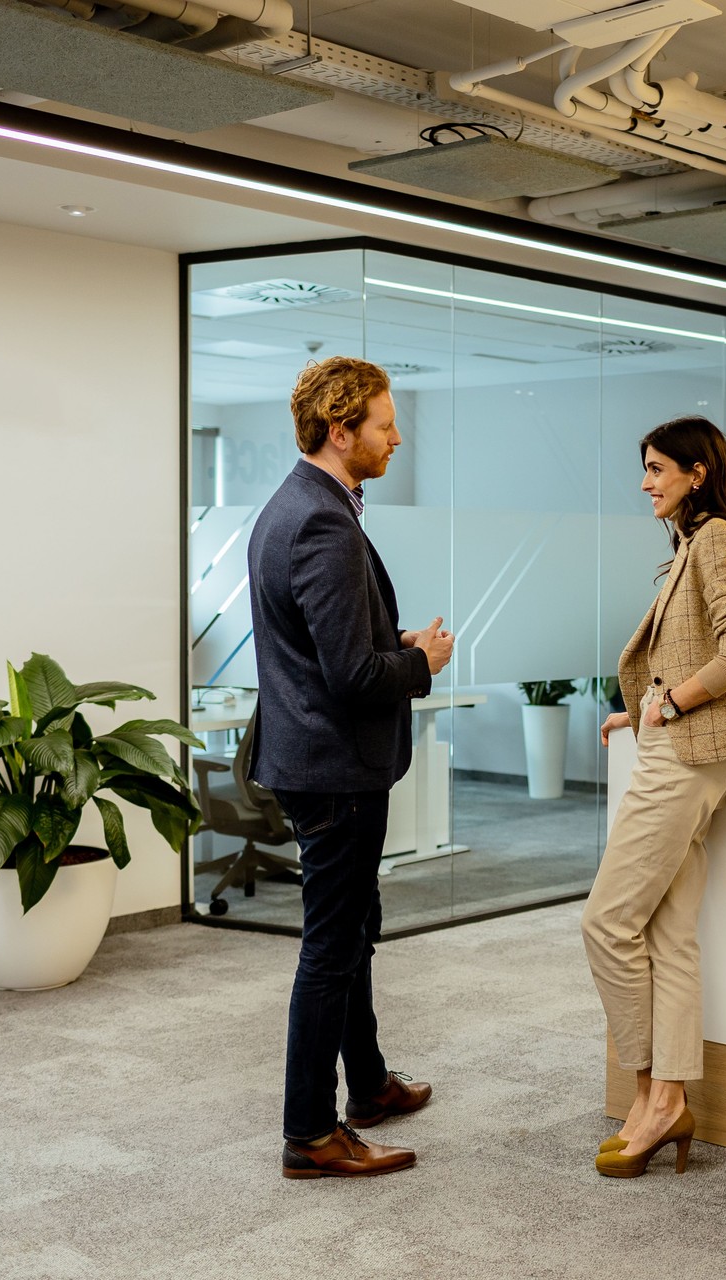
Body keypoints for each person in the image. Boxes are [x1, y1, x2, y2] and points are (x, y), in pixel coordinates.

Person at [247, 356, 455, 1180]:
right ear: (342, 431)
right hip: (333, 766)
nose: (397, 438)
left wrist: (389, 643)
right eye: (385, 423)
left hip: (319, 757)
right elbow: (350, 677)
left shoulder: (299, 505)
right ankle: (310, 1134)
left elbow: (325, 645)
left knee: (353, 929)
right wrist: (422, 661)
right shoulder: (322, 522)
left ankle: (365, 1086)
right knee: (332, 947)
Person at [584, 415, 726, 1178]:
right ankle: (668, 1098)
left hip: (688, 755)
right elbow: (697, 648)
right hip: (676, 743)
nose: (646, 482)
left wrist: (672, 706)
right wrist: (642, 707)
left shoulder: (719, 537)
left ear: (698, 473)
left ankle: (650, 1094)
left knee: (606, 923)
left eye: (658, 468)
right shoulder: (696, 545)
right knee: (667, 935)